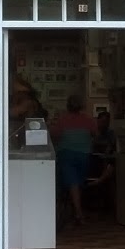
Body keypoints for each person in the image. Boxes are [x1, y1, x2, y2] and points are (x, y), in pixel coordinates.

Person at [50, 95, 97, 225]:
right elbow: (95, 134)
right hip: (84, 155)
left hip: (66, 155)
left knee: (72, 183)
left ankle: (77, 212)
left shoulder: (63, 120)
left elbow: (53, 134)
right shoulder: (88, 120)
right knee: (78, 183)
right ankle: (78, 211)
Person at [87, 109, 117, 213]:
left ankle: (99, 181)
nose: (104, 124)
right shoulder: (92, 133)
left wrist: (106, 152)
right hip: (93, 160)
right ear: (98, 121)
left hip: (105, 161)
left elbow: (110, 148)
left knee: (110, 165)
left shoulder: (111, 134)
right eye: (102, 121)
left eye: (106, 122)